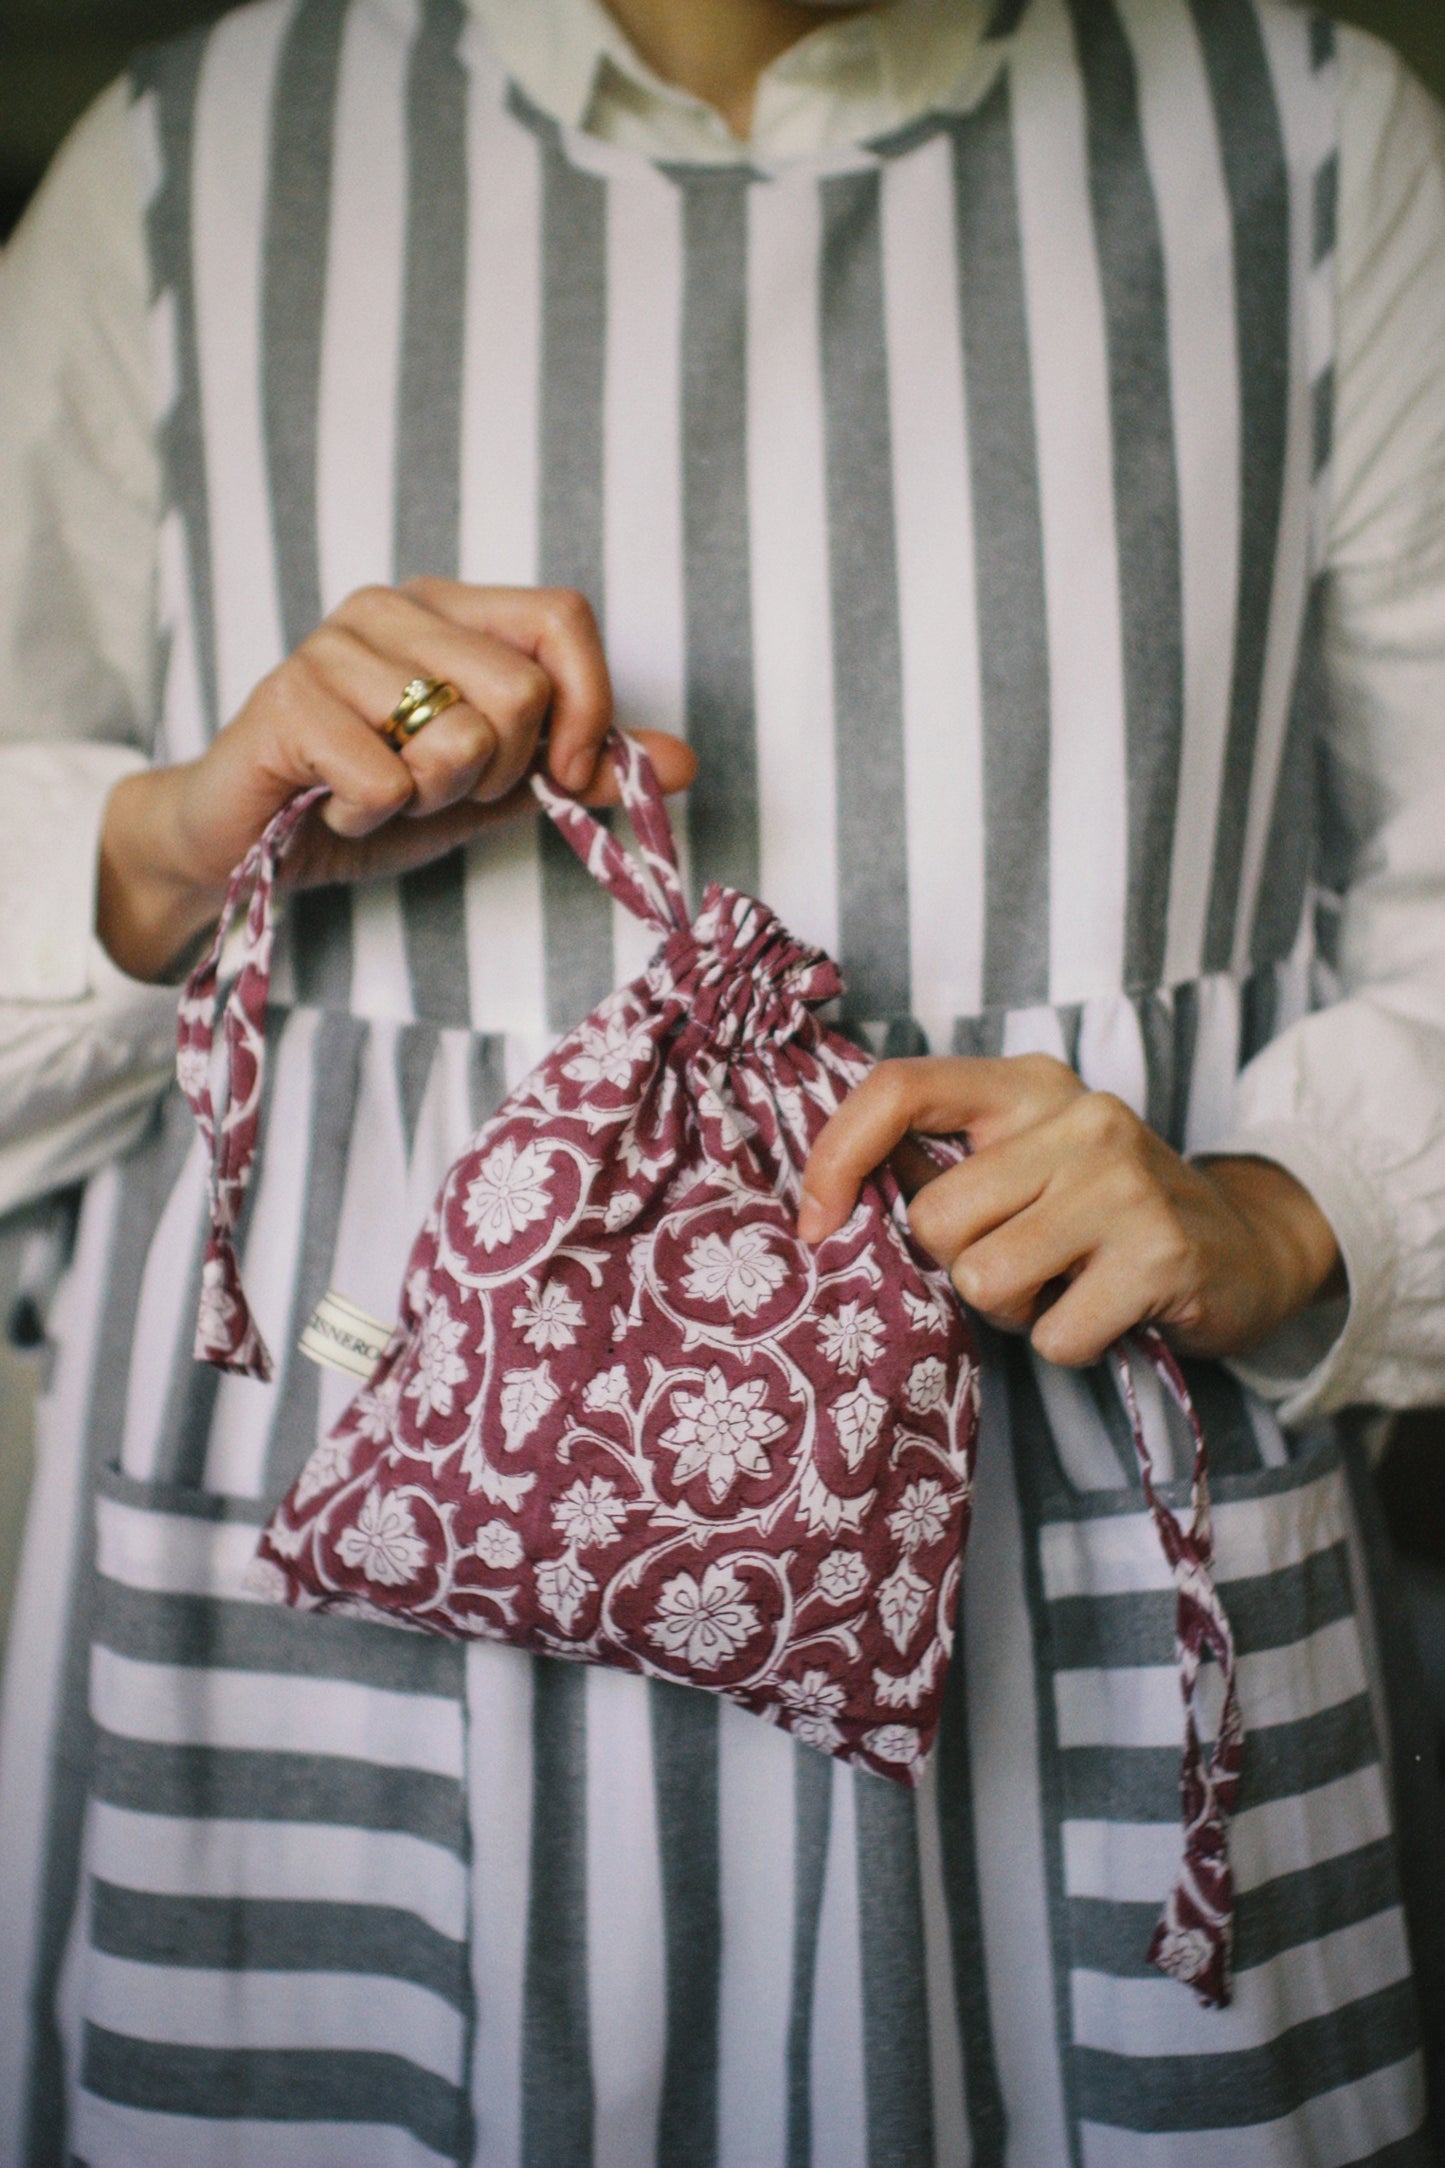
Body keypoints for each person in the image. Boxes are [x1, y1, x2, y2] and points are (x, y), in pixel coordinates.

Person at [1, 0, 1443, 2159]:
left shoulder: (1316, 153)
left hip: (1080, 1617)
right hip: (317, 1667)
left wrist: (1295, 1196)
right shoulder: (187, 172)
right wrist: (156, 843)